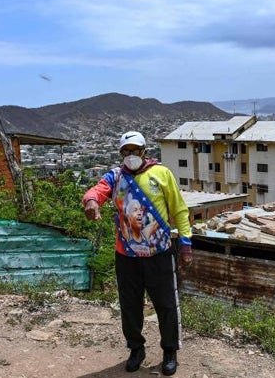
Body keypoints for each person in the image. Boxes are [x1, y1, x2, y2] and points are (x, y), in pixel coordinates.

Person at [82, 131, 193, 376]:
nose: (131, 155)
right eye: (126, 151)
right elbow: (97, 191)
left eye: (135, 151)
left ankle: (169, 351)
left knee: (165, 305)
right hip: (126, 256)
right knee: (130, 306)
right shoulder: (115, 177)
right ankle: (136, 349)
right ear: (121, 154)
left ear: (144, 151)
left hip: (159, 254)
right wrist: (90, 201)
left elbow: (180, 210)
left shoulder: (161, 174)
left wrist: (185, 245)